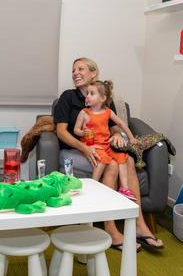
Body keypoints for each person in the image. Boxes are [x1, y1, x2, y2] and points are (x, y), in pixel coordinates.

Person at [53, 57, 164, 252]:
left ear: (93, 73)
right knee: (112, 164)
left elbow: (113, 127)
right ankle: (110, 228)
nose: (75, 73)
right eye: (73, 70)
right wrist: (85, 148)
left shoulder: (104, 98)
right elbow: (61, 131)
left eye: (81, 68)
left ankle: (139, 223)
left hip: (102, 146)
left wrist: (117, 138)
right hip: (76, 148)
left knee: (127, 158)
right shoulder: (68, 97)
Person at [73, 80, 139, 202]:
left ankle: (124, 189)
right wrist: (82, 132)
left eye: (92, 94)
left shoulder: (108, 112)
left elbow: (121, 124)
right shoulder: (84, 113)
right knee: (103, 160)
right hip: (91, 145)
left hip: (106, 143)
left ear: (102, 98)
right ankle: (93, 183)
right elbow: (75, 130)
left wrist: (131, 138)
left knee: (121, 157)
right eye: (87, 93)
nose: (87, 96)